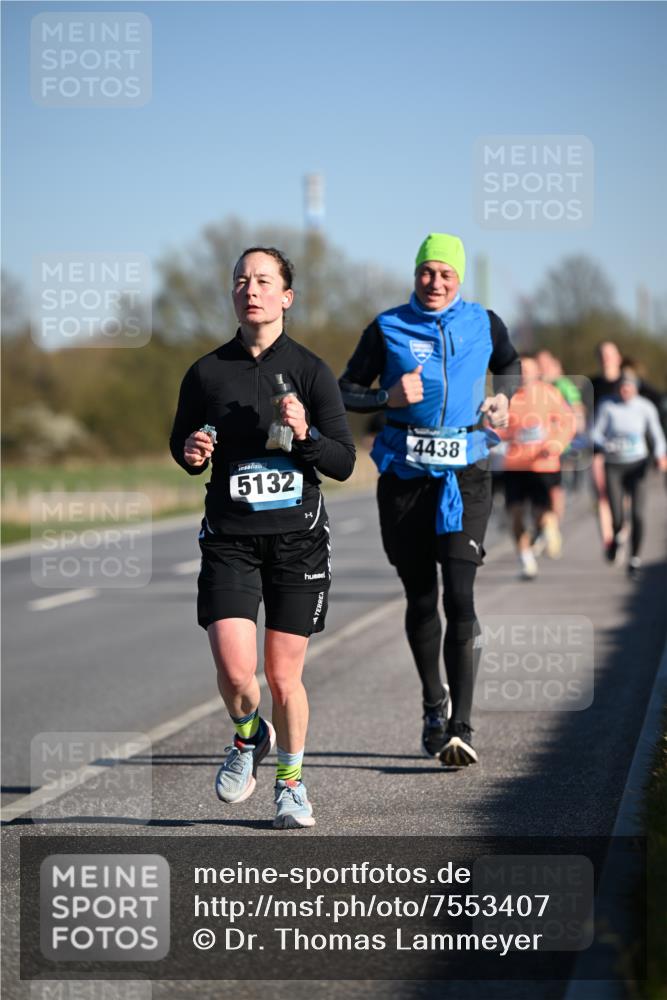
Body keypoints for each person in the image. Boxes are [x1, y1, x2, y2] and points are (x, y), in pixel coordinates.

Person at [170, 247, 355, 828]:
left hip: (297, 540)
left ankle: (291, 785)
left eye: (263, 281)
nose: (250, 289)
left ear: (285, 297)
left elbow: (343, 461)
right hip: (230, 538)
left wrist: (304, 434)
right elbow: (183, 446)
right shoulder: (206, 372)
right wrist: (191, 452)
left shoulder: (311, 370)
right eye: (241, 281)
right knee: (233, 673)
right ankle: (249, 734)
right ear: (233, 295)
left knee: (282, 676)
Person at [339, 233, 520, 766]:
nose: (435, 282)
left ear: (459, 278)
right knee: (421, 599)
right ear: (414, 275)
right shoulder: (387, 326)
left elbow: (511, 365)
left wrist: (505, 398)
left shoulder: (484, 323)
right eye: (427, 272)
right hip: (403, 478)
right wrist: (385, 398)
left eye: (446, 273)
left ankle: (461, 725)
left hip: (465, 473)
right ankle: (433, 704)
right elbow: (345, 388)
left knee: (460, 596)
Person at [500, 355, 577, 579]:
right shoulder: (507, 396)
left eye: (528, 370)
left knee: (542, 512)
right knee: (514, 514)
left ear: (536, 373)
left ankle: (547, 531)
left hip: (544, 463)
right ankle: (526, 560)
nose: (523, 374)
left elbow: (567, 421)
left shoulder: (549, 393)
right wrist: (499, 436)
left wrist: (557, 443)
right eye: (520, 370)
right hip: (515, 465)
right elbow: (494, 427)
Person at [592, 364, 667, 577]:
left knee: (638, 514)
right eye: (622, 387)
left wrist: (661, 454)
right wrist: (605, 444)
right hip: (614, 465)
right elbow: (596, 432)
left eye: (629, 387)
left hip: (638, 464)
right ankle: (616, 537)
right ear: (618, 388)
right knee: (617, 515)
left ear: (635, 388)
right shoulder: (608, 406)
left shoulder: (645, 407)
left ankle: (634, 559)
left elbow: (657, 435)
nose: (625, 391)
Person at [535, 349, 587, 526]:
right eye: (539, 365)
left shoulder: (563, 385)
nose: (542, 369)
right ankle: (545, 523)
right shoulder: (535, 387)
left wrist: (571, 434)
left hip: (560, 445)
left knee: (555, 489)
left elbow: (577, 410)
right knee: (542, 489)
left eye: (545, 365)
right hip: (538, 446)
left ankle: (553, 525)